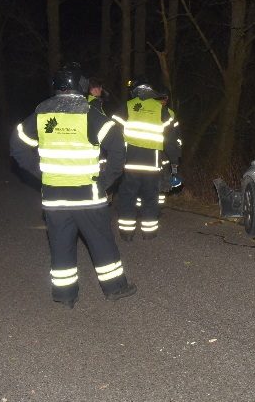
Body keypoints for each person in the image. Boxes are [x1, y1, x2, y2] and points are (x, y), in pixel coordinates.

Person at [10, 62, 137, 308]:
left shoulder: (41, 114)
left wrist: (41, 172)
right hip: (88, 197)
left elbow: (17, 147)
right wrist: (106, 182)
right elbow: (118, 149)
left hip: (54, 198)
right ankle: (115, 288)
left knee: (60, 246)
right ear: (81, 86)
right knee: (101, 243)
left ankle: (65, 295)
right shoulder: (90, 115)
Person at [112, 78, 182, 241]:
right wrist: (174, 164)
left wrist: (113, 159)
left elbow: (113, 135)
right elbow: (171, 141)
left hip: (129, 164)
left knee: (127, 198)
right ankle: (149, 233)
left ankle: (127, 233)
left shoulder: (127, 107)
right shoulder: (162, 111)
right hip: (153, 164)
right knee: (150, 198)